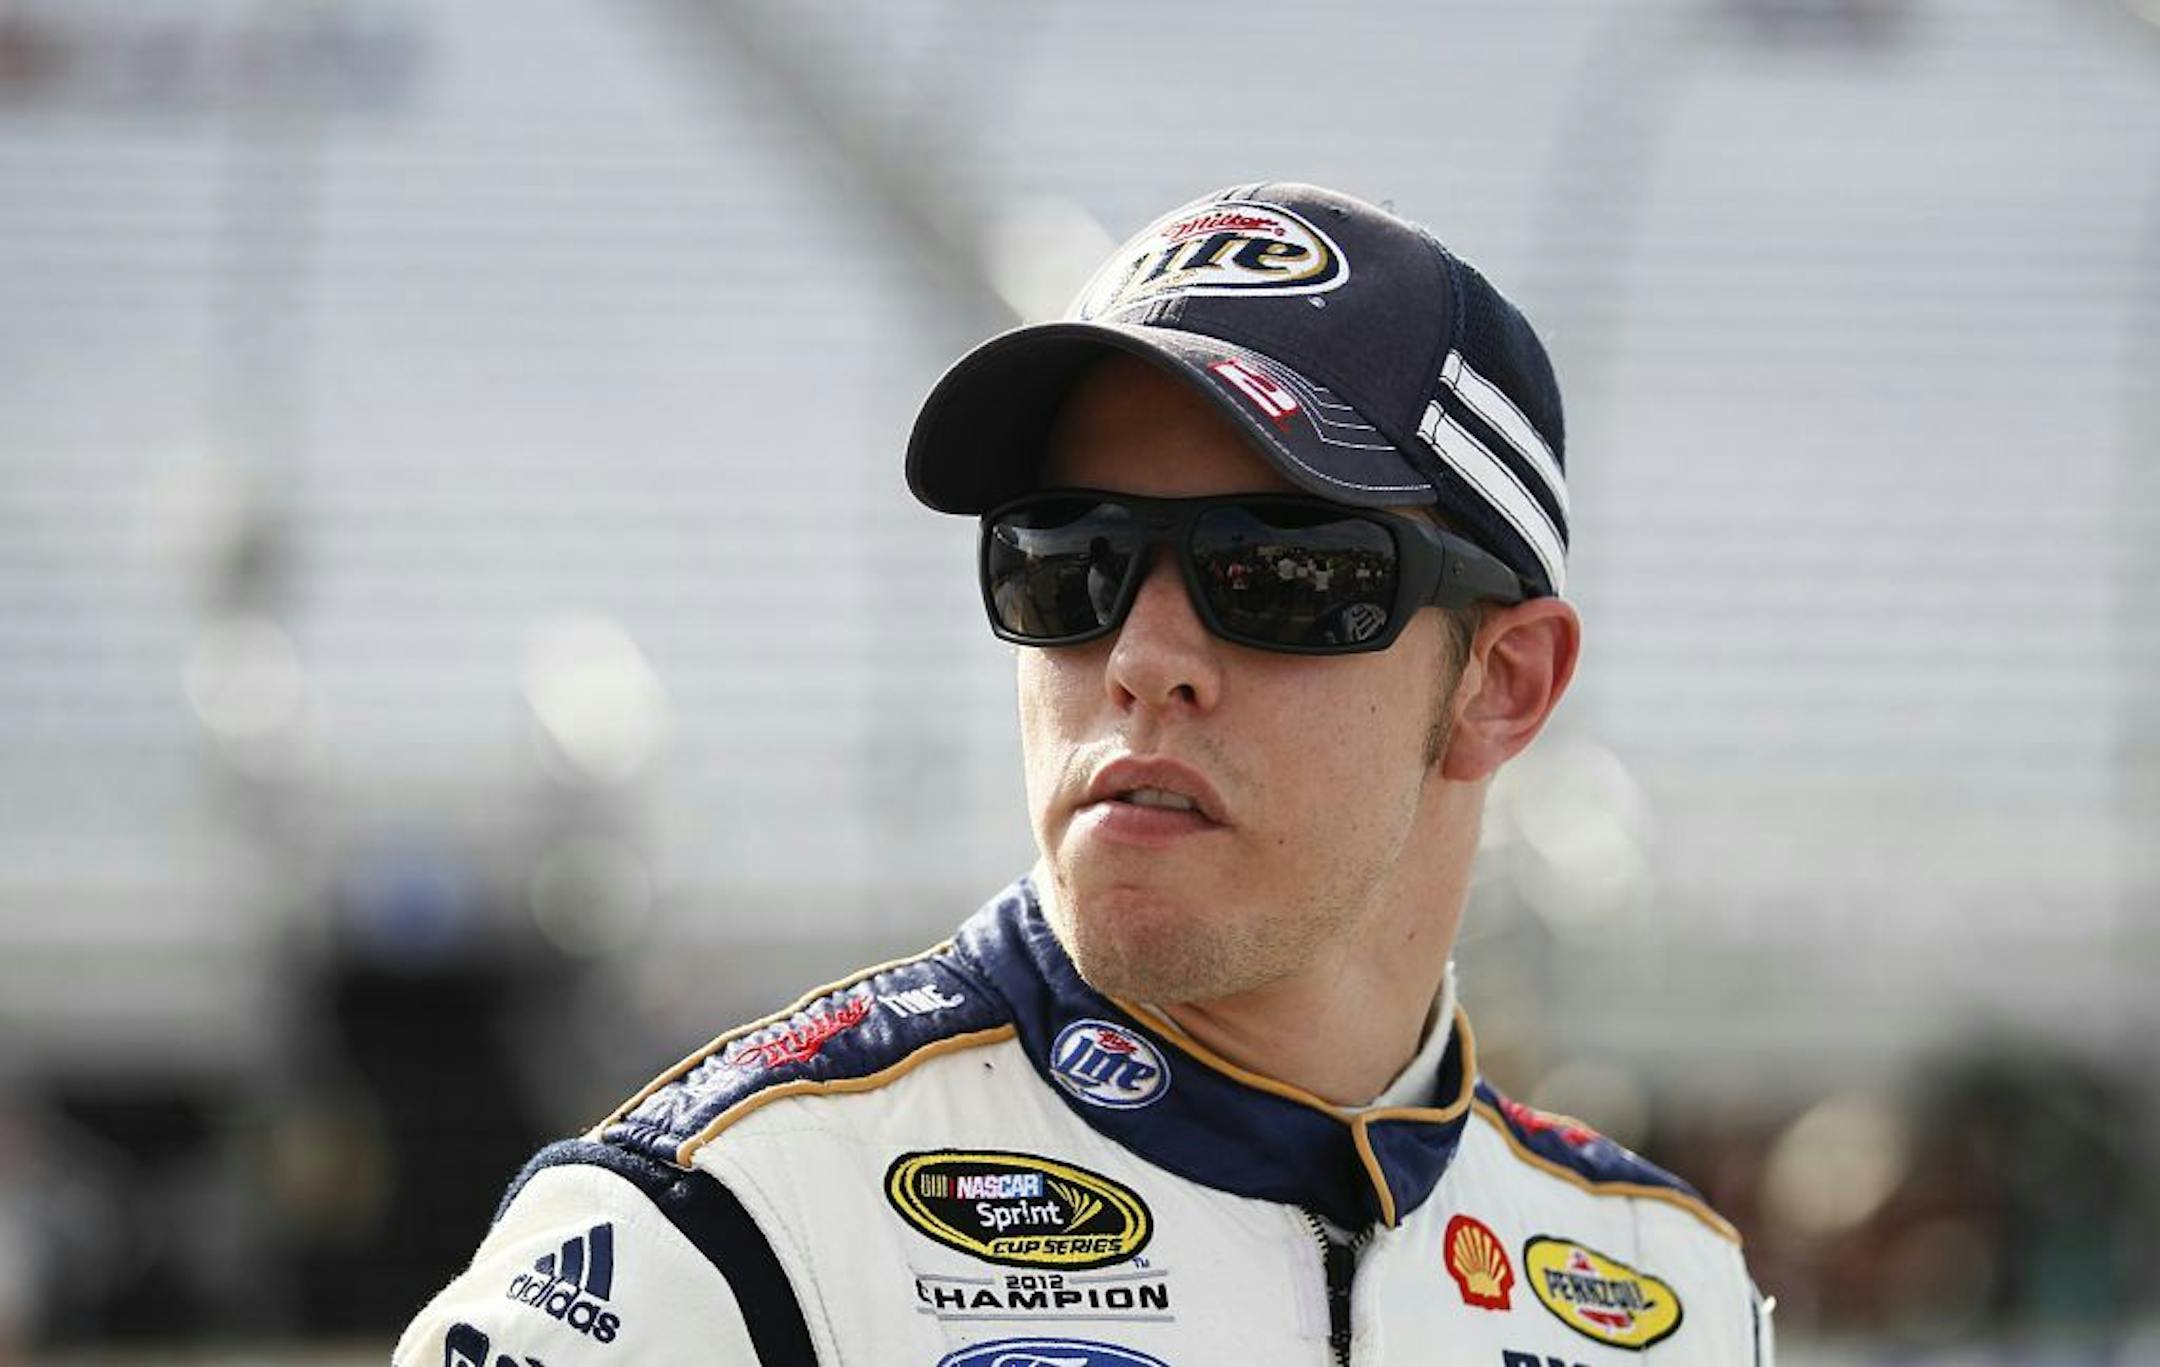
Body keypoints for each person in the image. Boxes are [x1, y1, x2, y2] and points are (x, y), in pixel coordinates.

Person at [395, 182, 1773, 1366]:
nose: (1143, 655)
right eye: (1067, 560)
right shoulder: (718, 1234)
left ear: (1505, 684)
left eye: (1282, 570)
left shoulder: (1667, 1296)